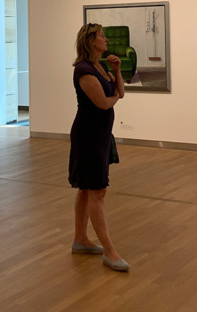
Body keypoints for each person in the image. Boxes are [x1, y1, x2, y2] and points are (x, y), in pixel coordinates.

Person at [68, 22, 129, 272]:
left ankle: (81, 239)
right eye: (102, 36)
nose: (106, 40)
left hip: (101, 135)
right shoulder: (83, 70)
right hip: (88, 136)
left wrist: (117, 70)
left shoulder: (101, 66)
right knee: (97, 191)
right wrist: (113, 98)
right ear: (91, 40)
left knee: (87, 189)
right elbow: (104, 103)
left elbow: (120, 92)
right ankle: (109, 251)